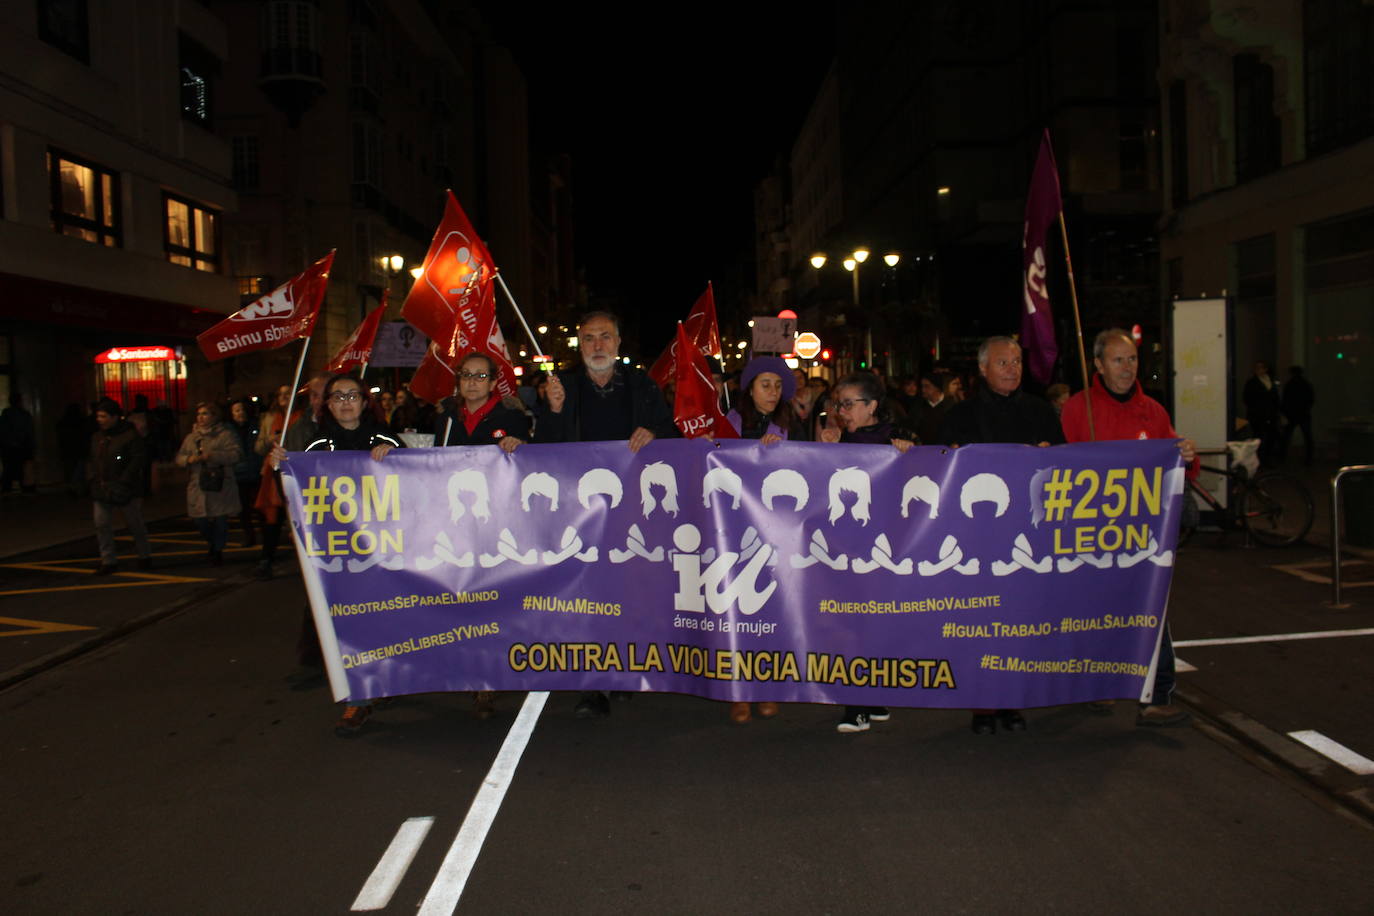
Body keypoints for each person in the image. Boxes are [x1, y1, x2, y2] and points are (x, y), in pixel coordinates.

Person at [534, 310, 676, 718]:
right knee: (589, 598)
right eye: (589, 338)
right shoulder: (564, 386)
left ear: (618, 343)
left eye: (605, 337)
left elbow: (670, 434)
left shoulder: (641, 386)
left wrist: (653, 434)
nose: (598, 345)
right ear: (580, 345)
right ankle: (593, 684)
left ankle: (626, 670)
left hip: (632, 509)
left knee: (630, 592)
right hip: (581, 513)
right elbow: (544, 449)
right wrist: (555, 411)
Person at [1060, 329, 1197, 727]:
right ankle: (1096, 685)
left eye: (1132, 359)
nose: (1126, 368)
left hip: (1143, 536)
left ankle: (1154, 697)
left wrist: (1186, 454)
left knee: (1152, 611)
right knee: (1093, 612)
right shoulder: (1077, 409)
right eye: (1117, 360)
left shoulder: (1153, 412)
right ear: (1099, 365)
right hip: (1089, 533)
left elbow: (1174, 460)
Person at [943, 336, 1063, 735]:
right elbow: (937, 472)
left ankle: (1014, 699)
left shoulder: (1041, 411)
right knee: (980, 622)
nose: (1012, 369)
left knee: (1020, 623)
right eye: (1003, 362)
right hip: (977, 538)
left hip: (1028, 536)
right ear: (982, 369)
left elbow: (1065, 470)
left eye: (1016, 361)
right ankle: (982, 704)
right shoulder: (959, 416)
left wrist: (1052, 457)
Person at [272, 373, 401, 735]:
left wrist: (395, 459)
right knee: (349, 623)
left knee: (388, 619)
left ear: (364, 401)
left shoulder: (386, 439)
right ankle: (358, 699)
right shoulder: (316, 447)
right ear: (327, 405)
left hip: (386, 549)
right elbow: (295, 493)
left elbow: (419, 481)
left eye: (353, 395)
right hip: (340, 553)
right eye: (337, 396)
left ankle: (387, 681)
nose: (346, 402)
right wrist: (281, 468)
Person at [818, 372, 916, 733]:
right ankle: (861, 700)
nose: (842, 411)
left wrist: (907, 453)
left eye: (849, 404)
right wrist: (825, 447)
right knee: (850, 623)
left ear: (872, 406)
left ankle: (864, 700)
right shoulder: (838, 439)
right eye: (838, 404)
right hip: (846, 546)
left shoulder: (898, 438)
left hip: (884, 548)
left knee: (869, 622)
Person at [718, 356, 804, 725]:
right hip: (734, 529)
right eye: (765, 384)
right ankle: (738, 691)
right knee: (735, 609)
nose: (772, 392)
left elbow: (808, 469)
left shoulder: (790, 423)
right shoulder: (730, 423)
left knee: (773, 608)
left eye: (778, 385)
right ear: (749, 388)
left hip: (778, 531)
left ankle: (767, 685)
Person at [254, 374, 328, 579]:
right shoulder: (297, 427)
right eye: (314, 395)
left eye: (324, 395)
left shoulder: (343, 423)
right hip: (311, 506)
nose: (318, 401)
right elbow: (289, 477)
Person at [87, 398, 153, 573]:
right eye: (98, 416)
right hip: (102, 487)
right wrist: (92, 478)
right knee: (101, 523)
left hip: (125, 488)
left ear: (115, 417)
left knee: (134, 523)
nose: (99, 420)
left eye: (103, 416)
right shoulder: (97, 437)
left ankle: (144, 555)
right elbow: (93, 460)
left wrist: (124, 480)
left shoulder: (129, 436)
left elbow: (137, 460)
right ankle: (108, 560)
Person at [175, 402, 242, 565]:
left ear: (214, 416)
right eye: (199, 414)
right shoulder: (191, 437)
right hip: (199, 483)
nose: (201, 417)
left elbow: (236, 454)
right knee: (200, 520)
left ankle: (217, 549)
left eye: (205, 414)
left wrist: (213, 455)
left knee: (220, 519)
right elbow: (179, 457)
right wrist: (189, 459)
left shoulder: (225, 435)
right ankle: (212, 542)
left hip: (220, 483)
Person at [435, 353, 530, 450]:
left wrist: (518, 444)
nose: (471, 382)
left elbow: (527, 453)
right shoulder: (447, 415)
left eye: (480, 376)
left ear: (492, 383)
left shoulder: (512, 416)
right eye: (466, 375)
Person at [229, 399, 261, 547]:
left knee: (260, 507)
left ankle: (264, 534)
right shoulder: (229, 430)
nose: (239, 413)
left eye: (241, 410)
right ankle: (249, 536)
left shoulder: (256, 425)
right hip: (238, 475)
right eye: (236, 411)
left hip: (255, 472)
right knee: (243, 509)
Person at [1242, 360, 1282, 464]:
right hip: (1257, 415)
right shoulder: (1251, 382)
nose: (1258, 370)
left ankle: (1268, 458)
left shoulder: (1271, 381)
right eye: (1257, 368)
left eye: (1261, 368)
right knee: (1258, 437)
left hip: (1270, 415)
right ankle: (1259, 459)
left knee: (1271, 437)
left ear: (1265, 369)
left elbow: (1276, 399)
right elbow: (1247, 398)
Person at [0, 393, 37, 493]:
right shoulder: (24, 415)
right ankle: (25, 490)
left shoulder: (6, 414)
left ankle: (7, 490)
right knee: (22, 470)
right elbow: (29, 432)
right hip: (22, 447)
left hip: (9, 447)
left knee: (9, 470)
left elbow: (3, 431)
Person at [1281, 366, 1315, 466]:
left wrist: (1285, 412)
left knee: (1286, 437)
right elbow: (1310, 399)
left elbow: (1285, 400)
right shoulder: (1305, 384)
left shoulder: (1290, 384)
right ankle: (1309, 458)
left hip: (1293, 414)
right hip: (1302, 413)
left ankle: (1282, 456)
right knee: (1307, 436)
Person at [914, 370, 955, 445]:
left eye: (927, 386)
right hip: (923, 451)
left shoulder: (951, 406)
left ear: (937, 387)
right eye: (922, 386)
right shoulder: (918, 406)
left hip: (945, 451)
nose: (923, 390)